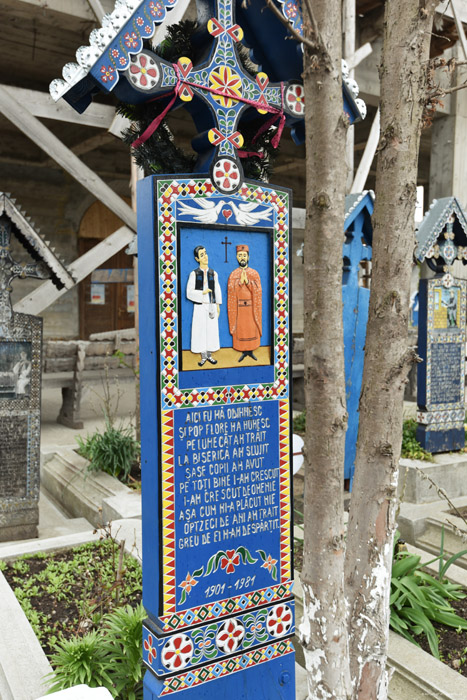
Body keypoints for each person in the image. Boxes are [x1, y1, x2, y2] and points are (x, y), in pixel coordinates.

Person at [186, 246, 222, 367]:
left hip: (211, 305)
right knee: (200, 330)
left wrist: (217, 305)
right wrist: (202, 293)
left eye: (205, 253)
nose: (205, 256)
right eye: (202, 255)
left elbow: (217, 289)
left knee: (211, 330)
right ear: (197, 258)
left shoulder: (213, 273)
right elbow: (189, 292)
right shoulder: (194, 274)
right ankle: (202, 356)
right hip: (200, 306)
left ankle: (210, 354)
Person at [227, 244, 262, 362]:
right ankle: (242, 351)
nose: (242, 257)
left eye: (244, 255)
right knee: (241, 329)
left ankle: (251, 350)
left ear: (248, 257)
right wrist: (238, 283)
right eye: (240, 255)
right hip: (239, 309)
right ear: (237, 257)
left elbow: (258, 290)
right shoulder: (233, 274)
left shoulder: (254, 273)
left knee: (251, 329)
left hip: (251, 308)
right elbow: (230, 290)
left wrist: (248, 282)